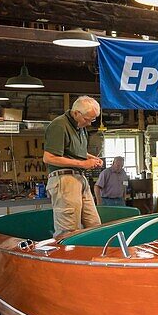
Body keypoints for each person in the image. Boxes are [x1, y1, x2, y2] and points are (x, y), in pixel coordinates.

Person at [43, 96, 104, 237]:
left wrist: (90, 157)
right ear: (76, 113)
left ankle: (93, 258)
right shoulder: (59, 125)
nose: (89, 123)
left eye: (92, 120)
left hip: (79, 179)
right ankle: (66, 258)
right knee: (69, 231)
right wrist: (83, 164)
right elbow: (49, 157)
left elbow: (72, 151)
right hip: (65, 180)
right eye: (87, 119)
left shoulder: (79, 126)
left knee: (94, 225)